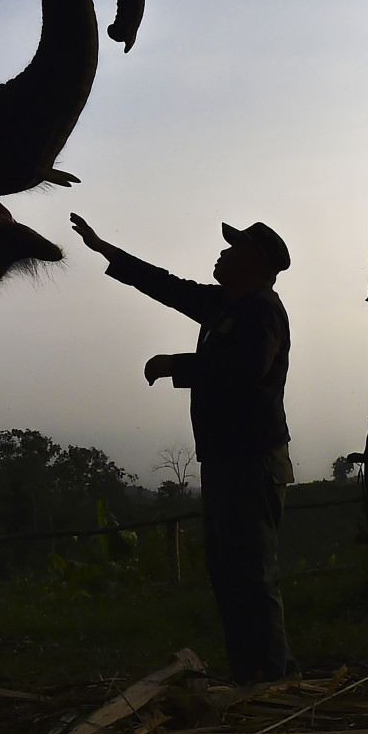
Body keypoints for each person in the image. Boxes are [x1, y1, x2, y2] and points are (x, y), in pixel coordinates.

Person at [70, 212, 296, 684]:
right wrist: (104, 248)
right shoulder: (225, 306)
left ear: (256, 261)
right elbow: (166, 285)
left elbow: (245, 368)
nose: (221, 252)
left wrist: (178, 364)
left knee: (253, 573)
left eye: (233, 248)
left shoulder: (261, 312)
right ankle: (249, 675)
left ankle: (274, 679)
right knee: (229, 571)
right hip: (224, 459)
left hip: (253, 461)